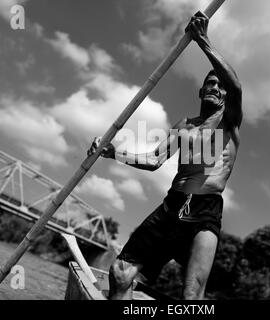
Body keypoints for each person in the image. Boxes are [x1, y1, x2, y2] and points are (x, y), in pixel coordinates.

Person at [88, 11, 242, 300]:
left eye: (219, 86)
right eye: (210, 83)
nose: (215, 88)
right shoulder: (184, 125)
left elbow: (235, 86)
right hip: (171, 205)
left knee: (192, 293)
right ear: (201, 91)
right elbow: (154, 160)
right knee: (120, 273)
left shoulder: (229, 123)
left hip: (204, 211)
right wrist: (112, 153)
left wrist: (203, 41)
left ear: (225, 97)